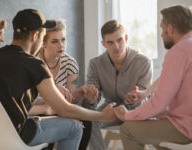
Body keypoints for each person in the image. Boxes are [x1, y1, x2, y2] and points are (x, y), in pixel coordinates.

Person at [0, 9, 116, 150]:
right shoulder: (33, 64)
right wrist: (103, 115)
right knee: (75, 128)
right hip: (14, 136)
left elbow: (5, 100)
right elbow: (65, 109)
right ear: (36, 36)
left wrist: (45, 100)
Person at [113, 5, 192, 150]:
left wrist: (127, 115)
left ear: (171, 28)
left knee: (128, 130)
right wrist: (145, 93)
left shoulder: (178, 52)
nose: (161, 34)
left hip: (186, 128)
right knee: (154, 128)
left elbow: (158, 104)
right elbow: (169, 78)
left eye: (162, 29)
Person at [83, 20, 153, 150]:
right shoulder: (95, 64)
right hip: (112, 109)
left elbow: (145, 97)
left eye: (119, 40)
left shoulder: (144, 62)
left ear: (126, 38)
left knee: (136, 127)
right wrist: (90, 98)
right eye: (110, 42)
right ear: (103, 44)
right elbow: (92, 100)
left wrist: (134, 99)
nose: (116, 46)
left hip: (137, 111)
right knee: (88, 121)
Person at [34, 19, 97, 150]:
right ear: (44, 43)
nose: (61, 45)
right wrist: (53, 92)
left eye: (63, 40)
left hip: (60, 110)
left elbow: (70, 101)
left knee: (85, 122)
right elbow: (29, 100)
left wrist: (79, 94)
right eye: (55, 41)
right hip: (38, 111)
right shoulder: (33, 62)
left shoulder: (70, 64)